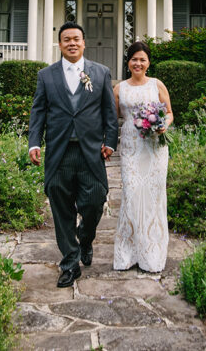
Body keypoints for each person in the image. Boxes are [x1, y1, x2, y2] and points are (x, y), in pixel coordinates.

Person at [28, 21, 120, 288]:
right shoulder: (46, 75)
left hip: (90, 151)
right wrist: (34, 142)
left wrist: (110, 142)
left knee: (95, 200)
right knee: (61, 209)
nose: (71, 43)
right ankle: (70, 262)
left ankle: (86, 238)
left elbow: (109, 113)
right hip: (59, 152)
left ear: (83, 43)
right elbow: (39, 112)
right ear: (60, 44)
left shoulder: (101, 73)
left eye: (76, 39)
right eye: (66, 39)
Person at [112, 41, 172, 272]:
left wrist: (163, 125)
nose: (138, 63)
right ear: (128, 62)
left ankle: (151, 253)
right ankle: (128, 254)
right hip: (130, 148)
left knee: (153, 196)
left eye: (142, 59)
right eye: (134, 59)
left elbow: (169, 112)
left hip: (154, 148)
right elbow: (113, 117)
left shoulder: (157, 85)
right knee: (131, 194)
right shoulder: (119, 89)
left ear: (148, 62)